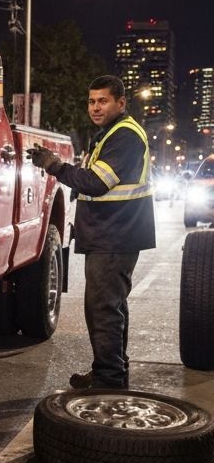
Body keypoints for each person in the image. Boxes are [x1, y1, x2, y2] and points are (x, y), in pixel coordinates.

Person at [30, 75, 155, 390]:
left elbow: (97, 182)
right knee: (112, 307)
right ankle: (110, 371)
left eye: (103, 101)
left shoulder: (125, 135)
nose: (95, 107)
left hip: (115, 236)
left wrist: (55, 166)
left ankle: (109, 381)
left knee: (103, 310)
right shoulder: (110, 133)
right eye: (91, 101)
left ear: (120, 103)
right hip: (112, 233)